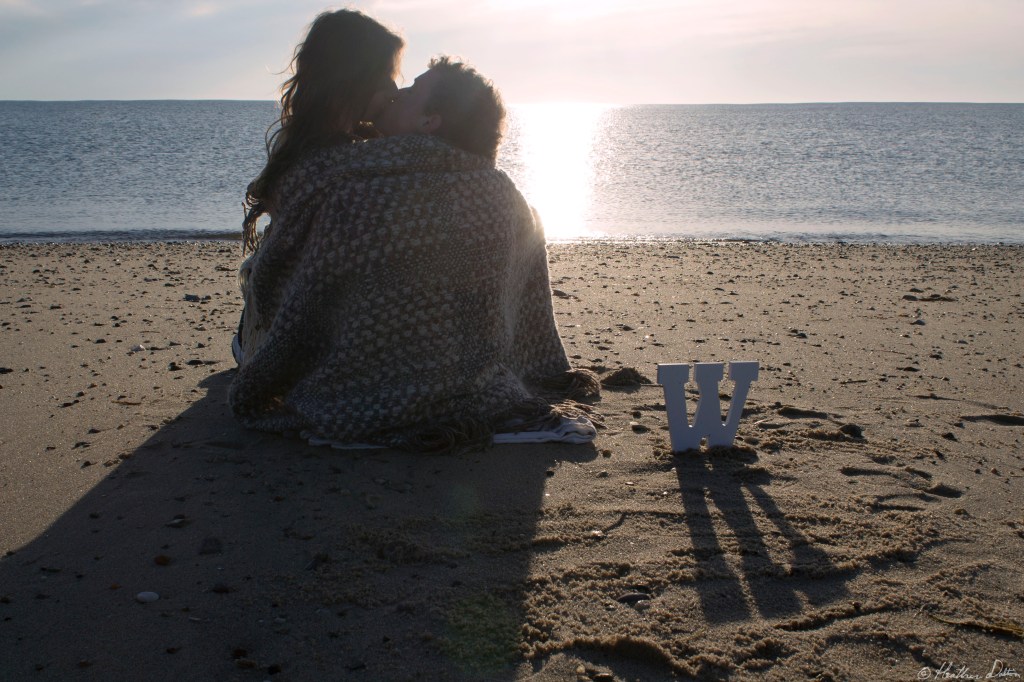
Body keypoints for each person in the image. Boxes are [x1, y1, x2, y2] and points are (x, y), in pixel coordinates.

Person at [230, 52, 599, 452]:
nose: (396, 92)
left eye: (411, 90)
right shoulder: (501, 189)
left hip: (357, 385)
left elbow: (300, 294)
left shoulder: (357, 187)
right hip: (474, 374)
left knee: (256, 272)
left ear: (429, 121)